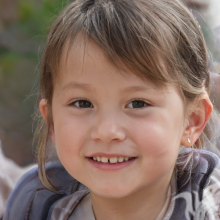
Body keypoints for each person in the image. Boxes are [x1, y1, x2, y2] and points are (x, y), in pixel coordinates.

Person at [3, 0, 220, 219]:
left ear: (192, 120)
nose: (106, 131)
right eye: (82, 103)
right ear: (52, 121)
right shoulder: (34, 207)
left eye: (137, 103)